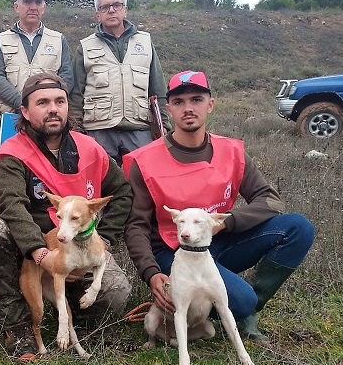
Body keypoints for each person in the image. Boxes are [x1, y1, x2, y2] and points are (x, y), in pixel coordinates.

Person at [123, 70, 315, 341]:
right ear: (169, 109)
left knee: (298, 227)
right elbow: (136, 226)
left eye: (196, 99)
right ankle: (237, 303)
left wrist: (225, 223)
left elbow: (269, 200)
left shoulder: (232, 152)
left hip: (220, 242)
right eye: (178, 102)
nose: (188, 108)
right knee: (241, 299)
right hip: (174, 251)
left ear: (210, 104)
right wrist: (151, 273)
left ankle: (245, 308)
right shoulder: (144, 161)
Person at [0, 72, 133, 361]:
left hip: (82, 244)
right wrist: (40, 254)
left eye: (60, 101)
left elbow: (122, 192)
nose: (53, 109)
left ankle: (79, 320)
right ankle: (18, 328)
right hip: (38, 243)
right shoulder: (13, 153)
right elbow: (11, 205)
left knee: (116, 292)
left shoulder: (89, 148)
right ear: (24, 111)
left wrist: (106, 240)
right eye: (43, 102)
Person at [69, 0, 170, 164]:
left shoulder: (145, 43)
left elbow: (158, 90)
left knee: (142, 185)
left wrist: (165, 128)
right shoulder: (85, 47)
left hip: (139, 130)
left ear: (125, 10)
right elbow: (76, 94)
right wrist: (76, 132)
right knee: (101, 186)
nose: (111, 10)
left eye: (117, 5)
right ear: (97, 14)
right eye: (105, 7)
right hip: (98, 131)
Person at [0, 0, 74, 114]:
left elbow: (66, 78)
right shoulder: (1, 40)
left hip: (47, 117)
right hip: (9, 116)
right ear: (16, 6)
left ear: (43, 8)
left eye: (38, 2)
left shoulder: (58, 40)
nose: (33, 7)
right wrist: (24, 104)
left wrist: (43, 104)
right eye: (27, 1)